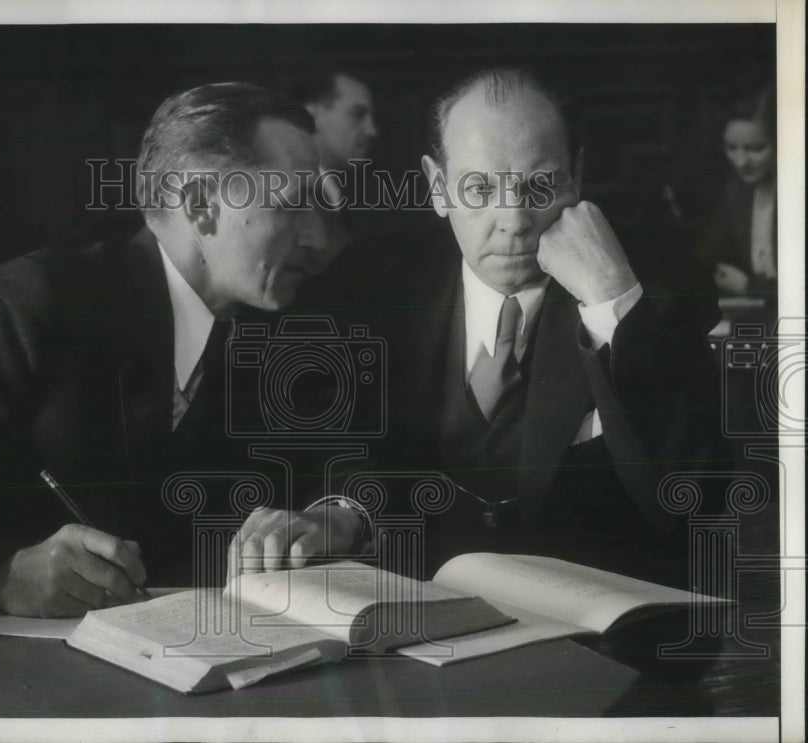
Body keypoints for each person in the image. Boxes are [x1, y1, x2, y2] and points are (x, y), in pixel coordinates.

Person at [230, 67, 725, 589]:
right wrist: (344, 512)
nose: (512, 219)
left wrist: (609, 298)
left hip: (600, 633)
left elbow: (693, 500)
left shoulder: (652, 294)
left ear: (574, 178)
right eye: (479, 188)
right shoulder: (376, 289)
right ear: (437, 188)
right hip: (422, 621)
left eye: (539, 185)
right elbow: (357, 450)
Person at [0, 82, 325, 617]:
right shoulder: (42, 299)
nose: (317, 237)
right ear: (201, 206)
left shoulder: (282, 332)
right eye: (293, 203)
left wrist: (333, 516)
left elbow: (357, 465)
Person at [290, 69, 379, 278]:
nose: (372, 130)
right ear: (312, 116)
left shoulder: (340, 195)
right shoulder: (291, 194)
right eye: (358, 114)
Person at [698, 83, 777, 300]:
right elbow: (708, 253)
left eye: (756, 149)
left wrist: (749, 287)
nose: (741, 162)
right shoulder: (735, 188)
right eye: (731, 148)